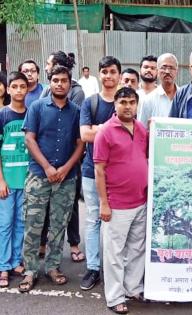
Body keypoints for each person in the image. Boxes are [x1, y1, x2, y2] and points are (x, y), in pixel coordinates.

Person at [19, 65, 84, 292]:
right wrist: (47, 167)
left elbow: (81, 144)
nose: (59, 84)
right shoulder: (36, 107)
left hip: (66, 179)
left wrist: (66, 168)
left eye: (64, 80)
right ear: (50, 82)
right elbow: (29, 139)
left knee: (58, 224)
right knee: (33, 224)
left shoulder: (76, 111)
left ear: (69, 83)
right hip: (39, 176)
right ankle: (30, 270)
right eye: (55, 80)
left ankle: (53, 266)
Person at [94, 87, 148, 314]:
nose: (128, 106)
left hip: (141, 201)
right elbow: (99, 170)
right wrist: (104, 203)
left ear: (137, 105)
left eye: (132, 102)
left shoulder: (142, 129)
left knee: (137, 249)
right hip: (116, 204)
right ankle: (115, 297)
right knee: (114, 253)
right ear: (115, 104)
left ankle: (133, 288)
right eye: (123, 102)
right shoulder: (105, 132)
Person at [79, 56, 121, 291]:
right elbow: (85, 135)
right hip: (91, 171)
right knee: (94, 219)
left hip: (118, 172)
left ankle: (114, 268)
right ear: (99, 74)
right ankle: (93, 268)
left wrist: (98, 130)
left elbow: (129, 133)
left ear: (118, 75)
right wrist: (110, 129)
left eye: (112, 71)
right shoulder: (91, 103)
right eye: (104, 71)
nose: (108, 76)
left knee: (117, 222)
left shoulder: (125, 101)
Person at [39, 50, 85, 262]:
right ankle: (42, 244)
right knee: (45, 208)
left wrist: (65, 166)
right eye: (54, 78)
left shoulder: (77, 93)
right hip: (45, 161)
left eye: (49, 64)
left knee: (71, 204)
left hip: (69, 160)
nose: (47, 68)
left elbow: (75, 131)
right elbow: (38, 120)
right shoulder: (45, 92)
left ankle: (74, 243)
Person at [0, 72, 29, 288]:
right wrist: (1, 180)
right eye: (15, 86)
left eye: (22, 86)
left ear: (27, 89)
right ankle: (3, 265)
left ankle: (16, 261)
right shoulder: (3, 115)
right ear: (8, 89)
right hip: (7, 182)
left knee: (21, 223)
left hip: (26, 181)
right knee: (5, 224)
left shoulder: (31, 114)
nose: (19, 90)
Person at [139, 53, 178, 128]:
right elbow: (142, 129)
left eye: (171, 68)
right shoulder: (148, 100)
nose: (167, 71)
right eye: (163, 67)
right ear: (157, 71)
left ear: (177, 71)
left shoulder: (184, 96)